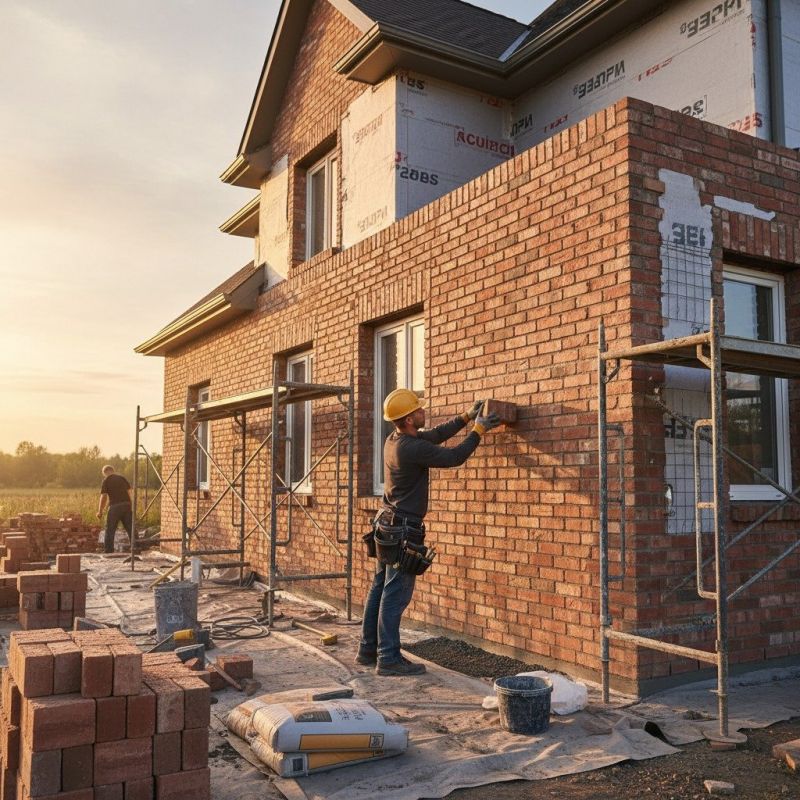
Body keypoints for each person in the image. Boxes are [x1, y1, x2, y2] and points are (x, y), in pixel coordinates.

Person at [358, 389, 501, 676]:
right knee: (394, 594)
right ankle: (388, 659)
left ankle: (368, 649)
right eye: (419, 410)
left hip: (387, 525)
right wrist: (478, 431)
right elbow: (454, 457)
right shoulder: (410, 448)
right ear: (410, 418)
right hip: (402, 530)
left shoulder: (396, 439)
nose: (424, 412)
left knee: (380, 587)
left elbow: (434, 435)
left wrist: (464, 418)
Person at [96, 465, 133, 554]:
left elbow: (104, 497)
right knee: (130, 528)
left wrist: (100, 511)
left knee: (110, 529)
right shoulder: (122, 478)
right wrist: (130, 505)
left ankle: (109, 550)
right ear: (113, 470)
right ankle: (136, 548)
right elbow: (129, 493)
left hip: (115, 507)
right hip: (126, 505)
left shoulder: (106, 480)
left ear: (105, 472)